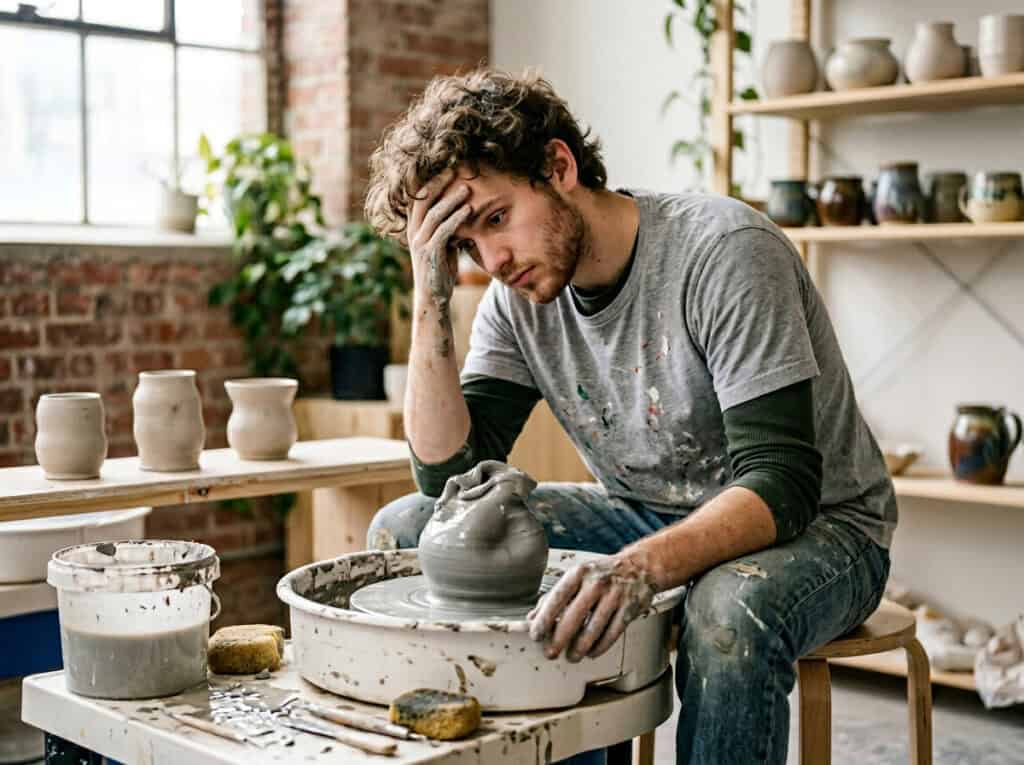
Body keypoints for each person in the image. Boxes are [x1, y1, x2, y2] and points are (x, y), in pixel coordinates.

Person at [363, 68, 896, 765]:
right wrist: (430, 298)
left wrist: (637, 567)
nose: (491, 259)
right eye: (465, 245)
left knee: (725, 611)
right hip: (645, 511)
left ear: (559, 166)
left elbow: (783, 484)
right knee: (412, 529)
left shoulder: (723, 251)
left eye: (494, 218)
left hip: (823, 526)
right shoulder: (516, 299)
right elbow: (448, 483)